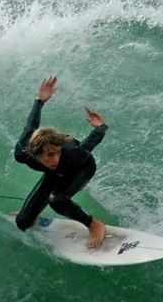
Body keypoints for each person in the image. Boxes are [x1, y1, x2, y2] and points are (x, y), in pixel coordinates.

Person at [13, 75, 108, 248]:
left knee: (57, 200)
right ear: (36, 154)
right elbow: (31, 126)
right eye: (49, 155)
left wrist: (101, 126)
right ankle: (28, 213)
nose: (55, 158)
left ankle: (94, 224)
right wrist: (39, 100)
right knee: (23, 222)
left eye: (57, 153)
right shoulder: (23, 153)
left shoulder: (72, 153)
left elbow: (93, 140)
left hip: (81, 168)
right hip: (55, 173)